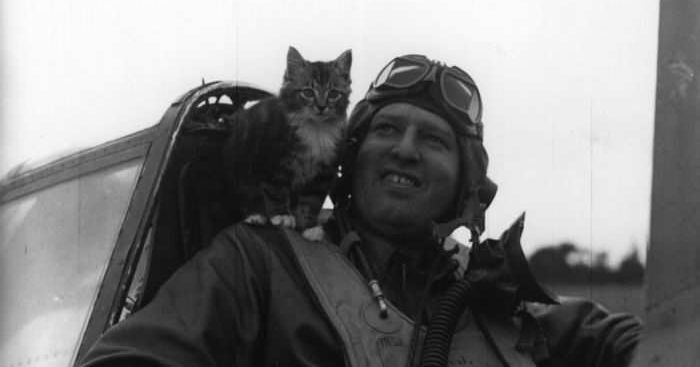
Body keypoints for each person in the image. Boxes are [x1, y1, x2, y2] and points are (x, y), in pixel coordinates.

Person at [80, 54, 642, 367]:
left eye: (434, 140)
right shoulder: (259, 265)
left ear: (466, 184)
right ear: (350, 156)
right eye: (388, 129)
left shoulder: (499, 298)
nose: (404, 149)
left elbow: (655, 341)